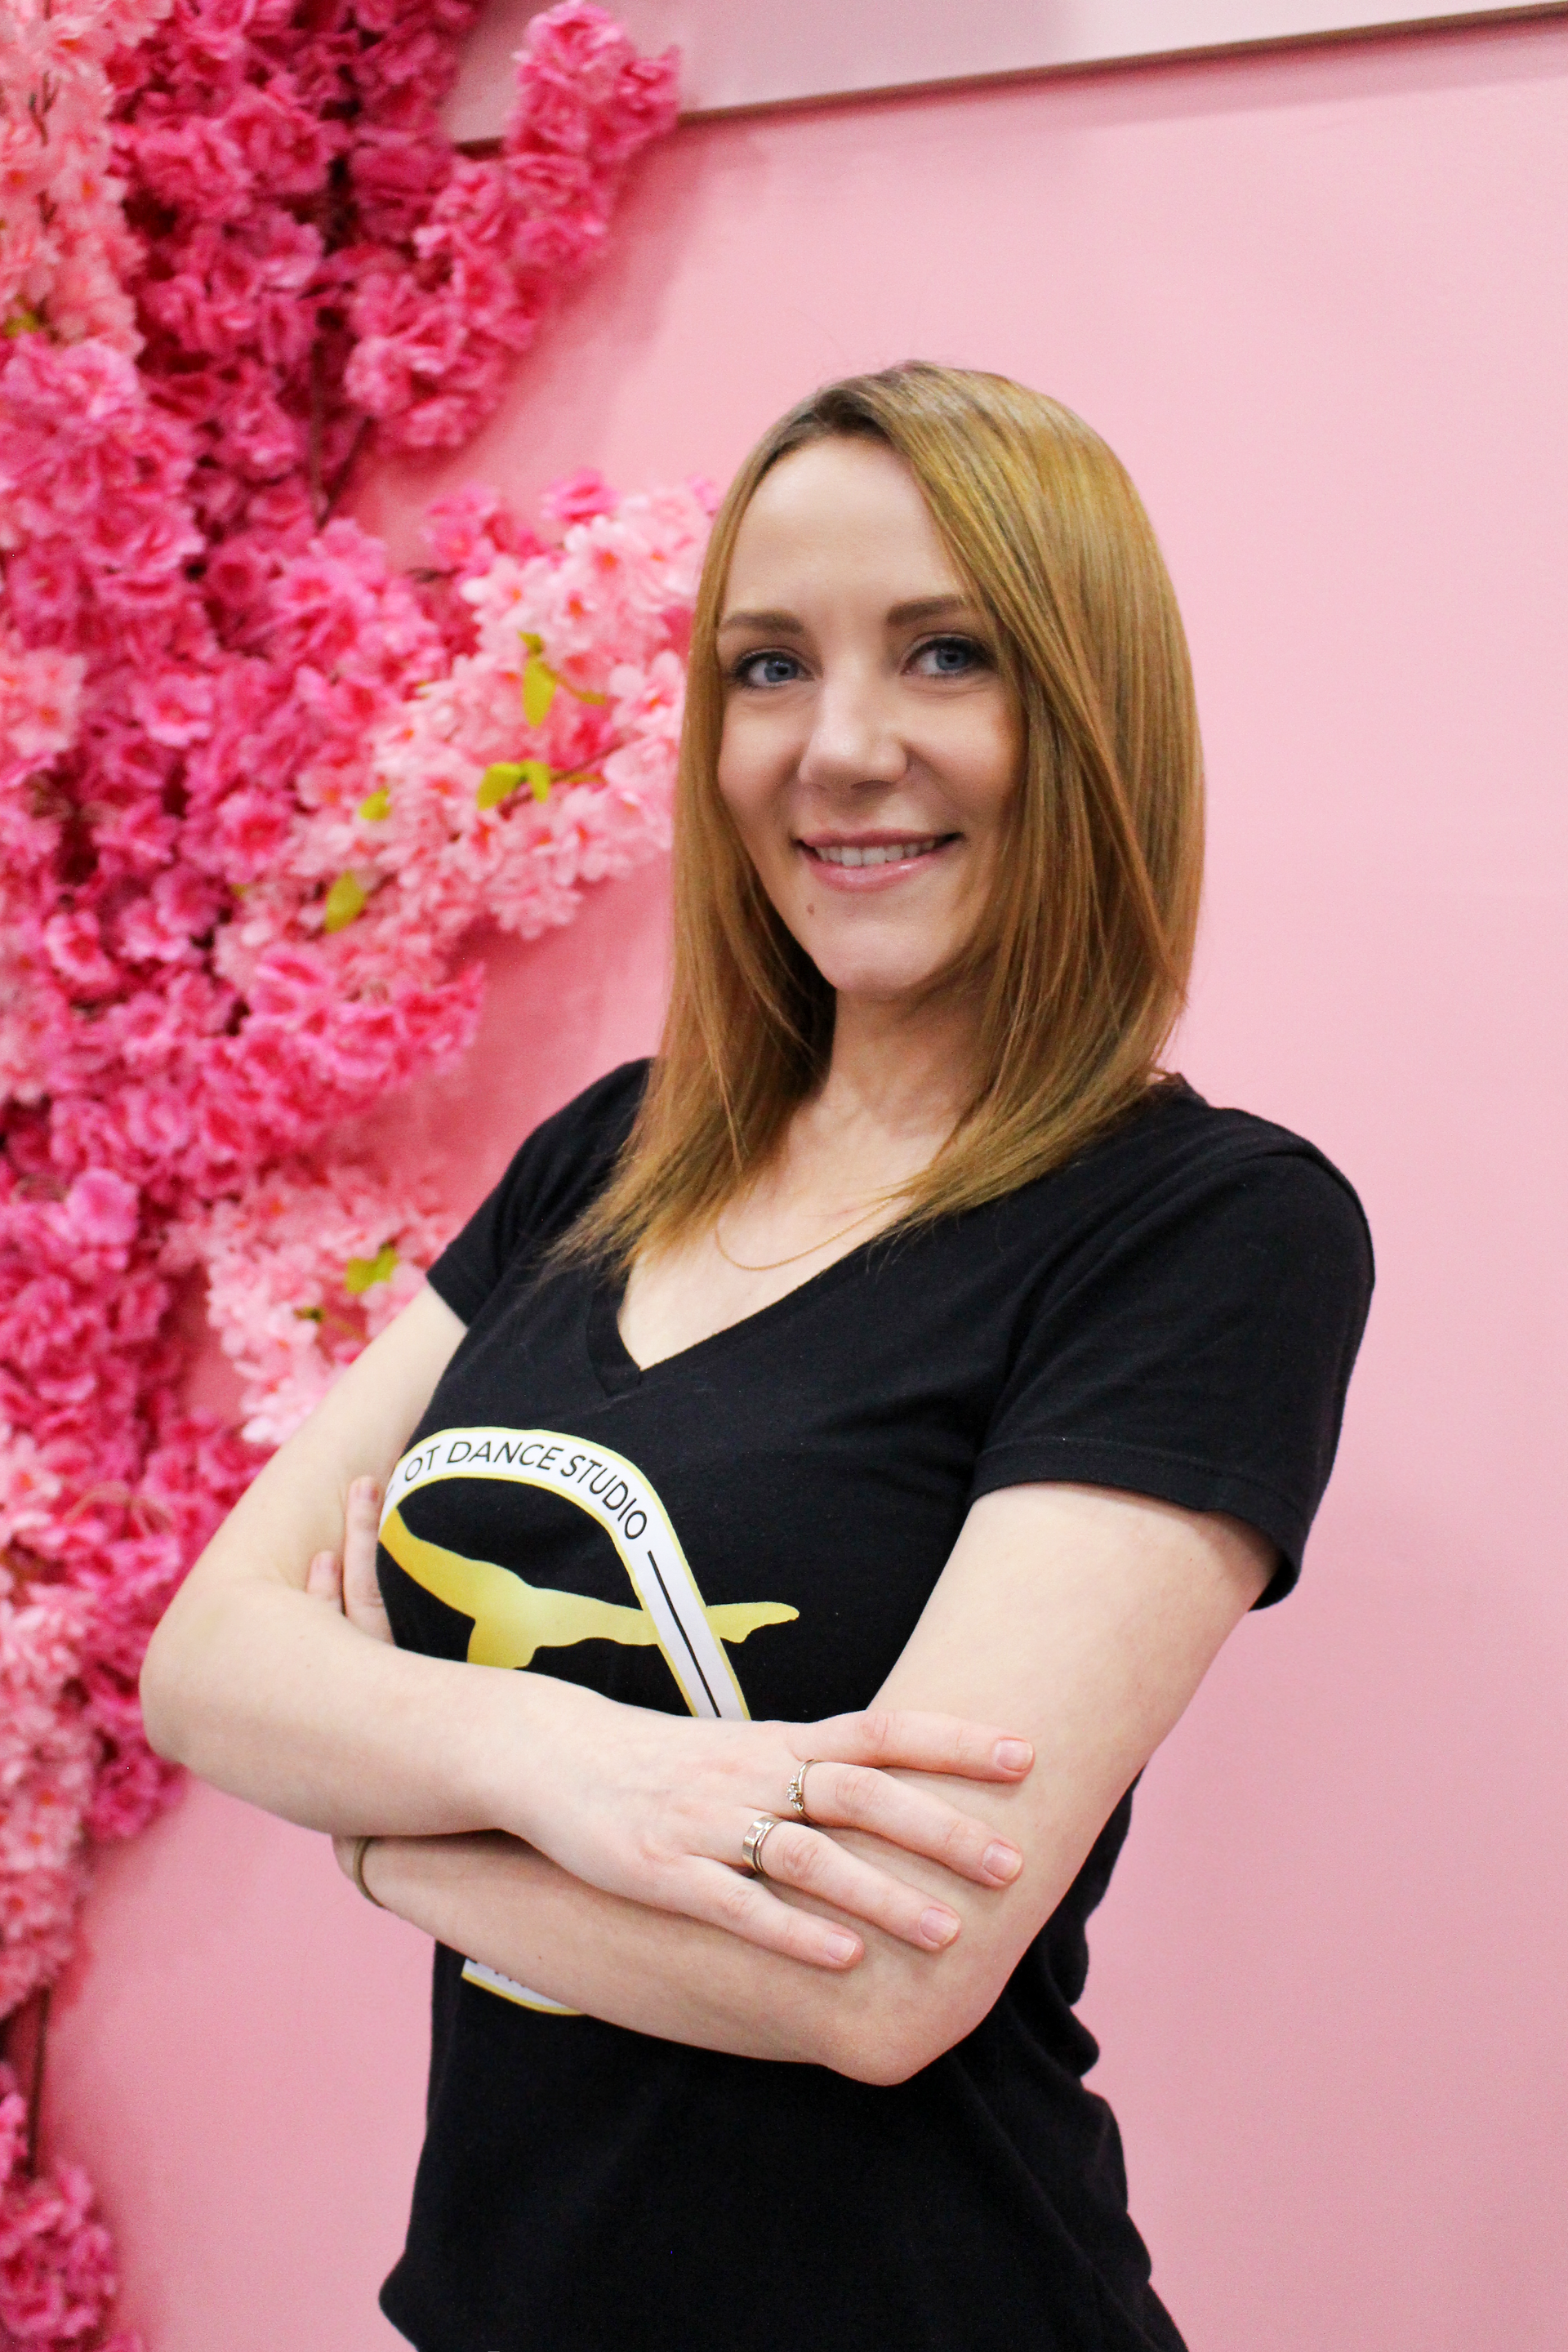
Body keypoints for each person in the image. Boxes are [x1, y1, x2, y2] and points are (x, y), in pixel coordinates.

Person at [142, 363, 1373, 2352]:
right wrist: (570, 1767)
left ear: (1091, 712)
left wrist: (381, 1827)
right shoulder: (605, 1156)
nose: (842, 747)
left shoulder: (1205, 1231)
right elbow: (208, 1664)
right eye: (770, 667)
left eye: (947, 653)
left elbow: (881, 1982)